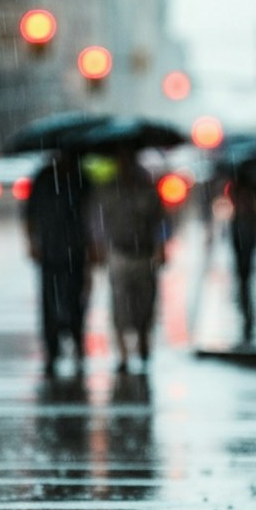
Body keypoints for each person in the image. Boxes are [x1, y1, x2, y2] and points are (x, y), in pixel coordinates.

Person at [87, 148, 170, 374]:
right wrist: (97, 247)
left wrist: (161, 247)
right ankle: (122, 351)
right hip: (119, 254)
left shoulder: (147, 188)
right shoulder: (107, 189)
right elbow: (97, 221)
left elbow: (160, 220)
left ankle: (143, 340)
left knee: (145, 302)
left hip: (143, 254)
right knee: (119, 303)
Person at [24, 149, 94, 378]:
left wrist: (92, 245)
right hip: (50, 250)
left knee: (76, 300)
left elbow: (92, 214)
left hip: (75, 249)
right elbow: (29, 213)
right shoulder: (43, 178)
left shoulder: (81, 178)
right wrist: (32, 242)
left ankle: (76, 343)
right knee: (49, 301)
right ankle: (52, 349)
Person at [227, 166, 256, 343]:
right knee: (245, 276)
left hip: (244, 230)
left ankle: (247, 313)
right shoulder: (251, 187)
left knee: (244, 276)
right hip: (245, 229)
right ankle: (247, 312)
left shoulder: (243, 188)